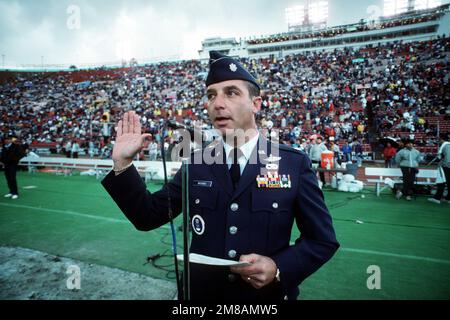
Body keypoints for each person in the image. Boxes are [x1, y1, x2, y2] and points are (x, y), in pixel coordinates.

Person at [101, 51, 339, 301]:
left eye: (231, 92)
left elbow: (322, 240)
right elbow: (147, 216)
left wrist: (278, 267)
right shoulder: (196, 162)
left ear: (255, 104)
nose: (218, 103)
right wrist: (123, 163)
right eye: (212, 95)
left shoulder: (292, 163)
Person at [1, 135, 26, 200]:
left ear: (10, 140)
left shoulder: (16, 146)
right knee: (8, 178)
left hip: (13, 165)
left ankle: (15, 193)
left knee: (12, 178)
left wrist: (15, 160)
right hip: (6, 165)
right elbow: (2, 156)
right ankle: (11, 191)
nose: (6, 140)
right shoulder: (4, 147)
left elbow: (22, 154)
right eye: (5, 139)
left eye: (8, 139)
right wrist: (1, 161)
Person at [428, 134, 450, 204]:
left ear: (442, 139)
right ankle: (448, 198)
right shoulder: (448, 145)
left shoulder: (446, 146)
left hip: (445, 167)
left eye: (439, 139)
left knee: (441, 182)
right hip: (447, 166)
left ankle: (437, 198)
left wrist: (445, 165)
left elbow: (448, 158)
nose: (438, 141)